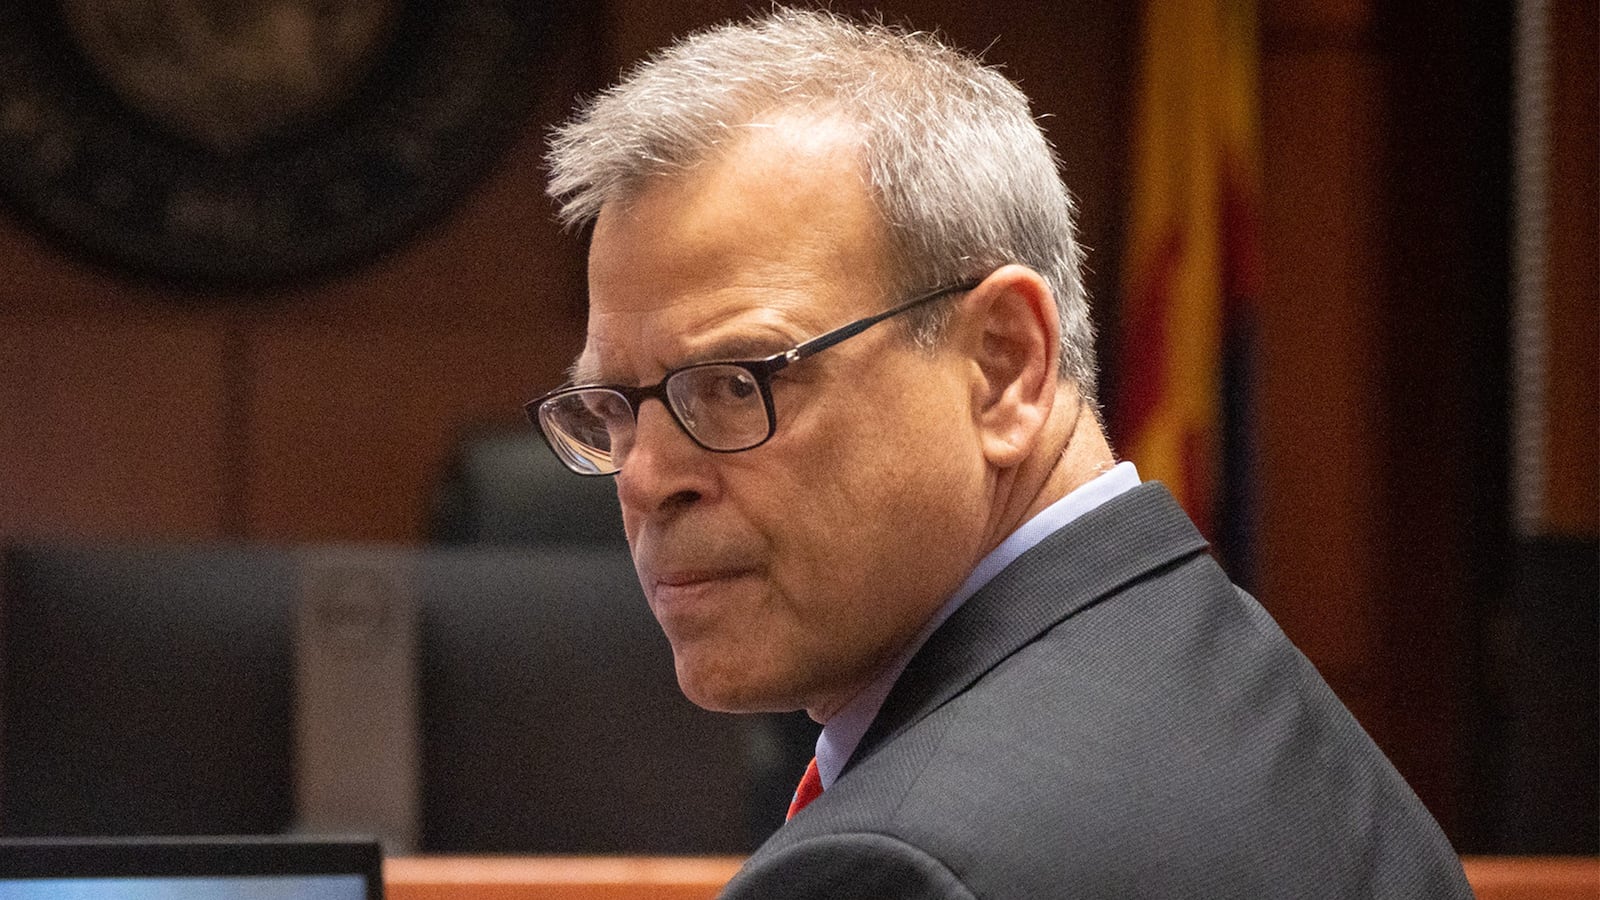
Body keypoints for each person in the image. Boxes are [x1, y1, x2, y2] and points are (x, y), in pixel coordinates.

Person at [529, 7, 1472, 897]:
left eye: (737, 384)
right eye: (613, 409)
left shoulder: (897, 869)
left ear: (1003, 367)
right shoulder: (1247, 697)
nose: (646, 479)